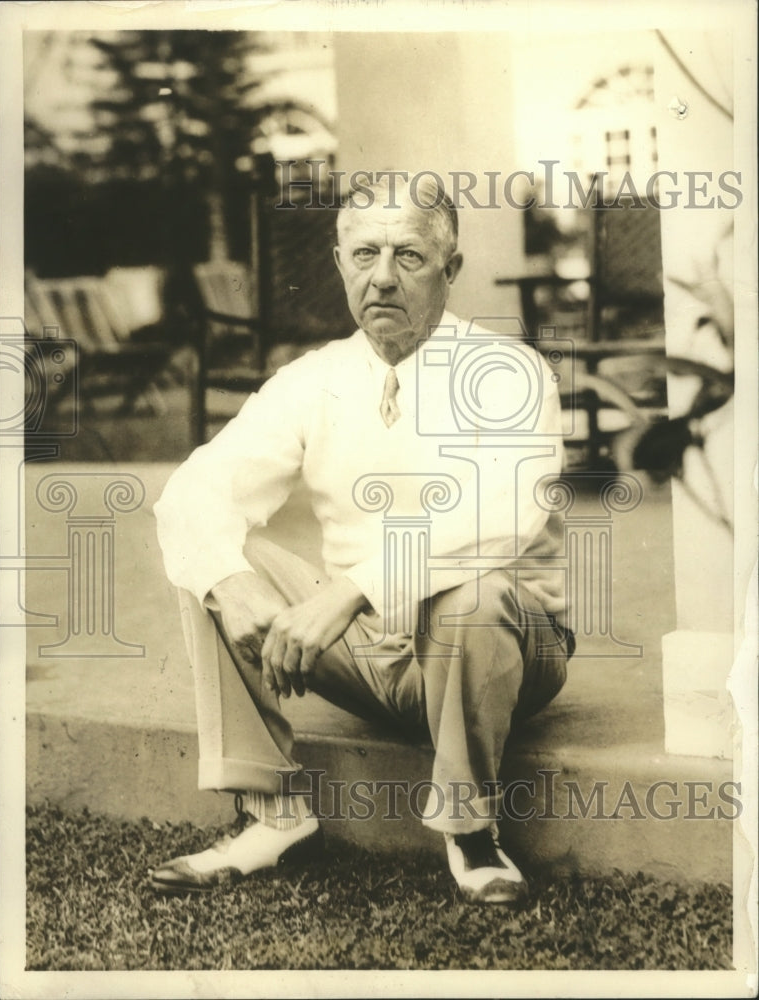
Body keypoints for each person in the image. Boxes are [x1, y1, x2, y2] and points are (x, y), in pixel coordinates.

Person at [151, 174, 573, 904]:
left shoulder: (507, 372)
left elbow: (499, 514)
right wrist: (234, 584)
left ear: (450, 268)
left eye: (408, 255)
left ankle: (472, 834)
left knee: (471, 593)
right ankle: (274, 816)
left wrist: (350, 590)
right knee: (213, 558)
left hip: (500, 645)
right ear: (340, 262)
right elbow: (197, 488)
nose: (382, 277)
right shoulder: (311, 379)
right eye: (365, 254)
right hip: (369, 653)